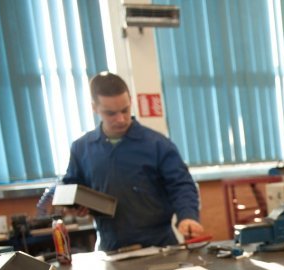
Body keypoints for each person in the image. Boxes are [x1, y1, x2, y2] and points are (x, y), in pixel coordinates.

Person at [38, 72, 206, 251]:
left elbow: (181, 184)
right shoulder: (82, 148)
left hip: (159, 244)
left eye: (125, 110)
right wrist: (74, 206)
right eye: (110, 113)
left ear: (130, 101)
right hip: (110, 247)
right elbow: (73, 186)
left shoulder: (157, 144)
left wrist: (187, 215)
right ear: (94, 107)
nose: (120, 119)